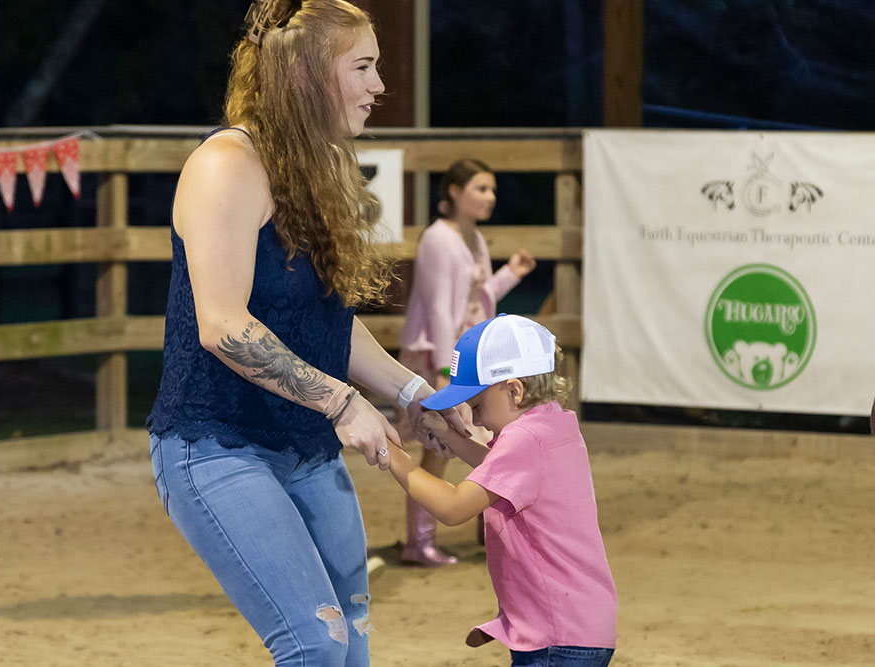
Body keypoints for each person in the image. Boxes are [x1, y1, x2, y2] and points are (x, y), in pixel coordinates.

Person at [145, 2, 463, 664]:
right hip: (217, 444)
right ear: (304, 74)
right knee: (316, 644)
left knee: (351, 644)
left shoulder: (320, 168)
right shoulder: (226, 164)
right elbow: (223, 324)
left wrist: (413, 392)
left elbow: (327, 326)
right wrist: (342, 402)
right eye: (363, 67)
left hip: (306, 447)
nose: (379, 86)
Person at [386, 314, 618, 667]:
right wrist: (449, 436)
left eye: (477, 406)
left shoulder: (523, 439)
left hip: (555, 637)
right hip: (579, 626)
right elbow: (500, 473)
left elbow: (453, 508)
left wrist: (391, 453)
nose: (476, 419)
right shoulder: (553, 424)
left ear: (514, 390)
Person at [395, 158, 537, 566]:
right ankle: (419, 540)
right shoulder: (438, 239)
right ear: (454, 192)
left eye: (492, 190)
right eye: (481, 188)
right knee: (440, 444)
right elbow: (440, 309)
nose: (490, 197)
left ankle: (487, 527)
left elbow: (479, 297)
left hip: (473, 358)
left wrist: (511, 274)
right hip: (444, 357)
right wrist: (445, 373)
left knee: (484, 437)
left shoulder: (473, 237)